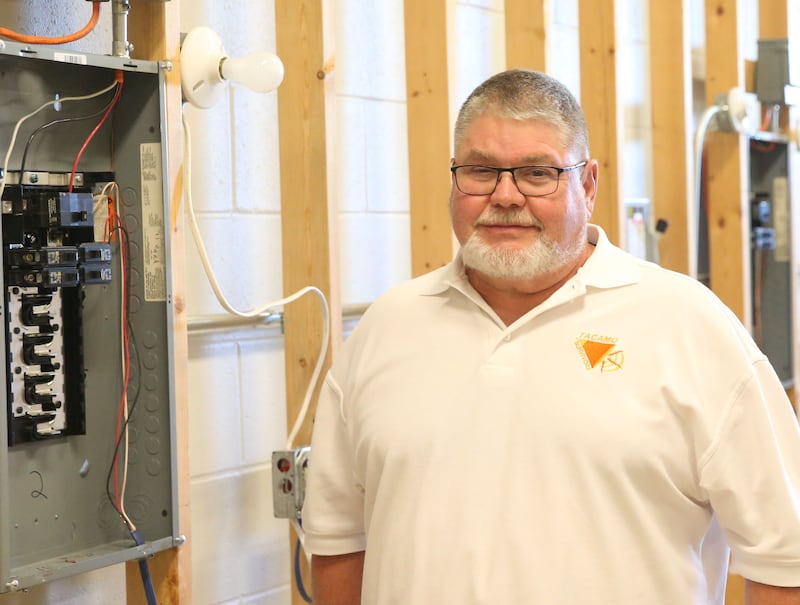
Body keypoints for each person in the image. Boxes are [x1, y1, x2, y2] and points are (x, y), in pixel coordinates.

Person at [301, 69, 800, 604]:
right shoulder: (387, 328)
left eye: (538, 173)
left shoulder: (688, 325)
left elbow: (783, 558)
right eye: (480, 171)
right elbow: (338, 541)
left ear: (588, 185)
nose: (506, 195)